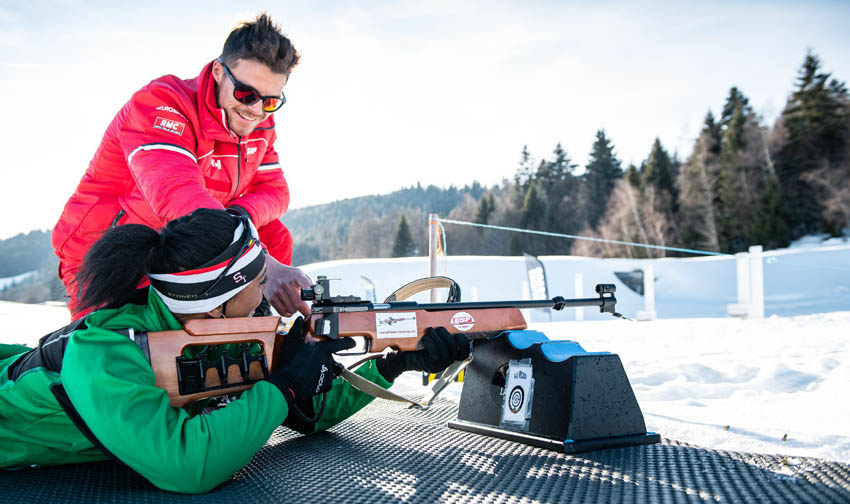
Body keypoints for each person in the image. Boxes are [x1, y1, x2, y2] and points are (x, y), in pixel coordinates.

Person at [0, 209, 470, 494]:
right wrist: (282, 386)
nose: (272, 289)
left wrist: (393, 364)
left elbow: (305, 412)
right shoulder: (104, 353)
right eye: (261, 280)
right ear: (216, 302)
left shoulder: (228, 328)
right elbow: (187, 466)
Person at [51, 12, 310, 320]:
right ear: (218, 71)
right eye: (246, 93)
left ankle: (259, 328)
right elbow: (178, 197)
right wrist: (258, 261)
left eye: (270, 101)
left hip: (182, 249)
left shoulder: (258, 125)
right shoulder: (162, 104)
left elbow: (275, 191)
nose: (255, 110)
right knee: (118, 356)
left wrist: (238, 218)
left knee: (276, 233)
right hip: (112, 252)